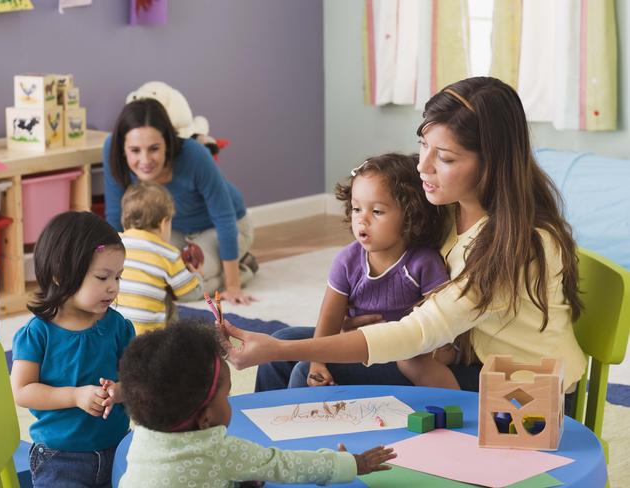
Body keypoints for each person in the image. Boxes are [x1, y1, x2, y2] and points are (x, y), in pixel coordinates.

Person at [221, 77, 587, 407]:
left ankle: (304, 474)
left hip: (519, 395)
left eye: (443, 157)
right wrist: (300, 342)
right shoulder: (446, 211)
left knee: (304, 369)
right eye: (423, 146)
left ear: (490, 164)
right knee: (285, 351)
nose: (422, 166)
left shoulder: (518, 245)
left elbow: (416, 333)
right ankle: (258, 471)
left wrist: (280, 349)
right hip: (458, 358)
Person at [256, 153, 462, 392]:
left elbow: (442, 324)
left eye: (377, 212)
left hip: (402, 353)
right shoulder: (347, 260)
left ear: (410, 215)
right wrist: (317, 361)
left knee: (303, 373)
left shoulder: (423, 263)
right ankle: (258, 423)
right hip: (357, 340)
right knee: (281, 342)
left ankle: (299, 426)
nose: (362, 220)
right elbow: (330, 319)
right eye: (356, 208)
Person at [118, 319, 396, 487]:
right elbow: (285, 465)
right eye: (225, 397)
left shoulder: (143, 435)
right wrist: (350, 463)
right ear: (205, 419)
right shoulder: (220, 452)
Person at [10, 211, 135, 488]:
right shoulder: (38, 333)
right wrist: (75, 396)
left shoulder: (118, 327)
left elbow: (138, 378)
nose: (113, 287)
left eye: (118, 277)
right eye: (103, 277)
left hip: (118, 448)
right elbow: (22, 391)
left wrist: (120, 391)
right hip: (60, 458)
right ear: (60, 275)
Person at [103, 97, 257, 304]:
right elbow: (115, 217)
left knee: (184, 283)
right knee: (154, 279)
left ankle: (243, 268)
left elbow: (224, 217)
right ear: (123, 148)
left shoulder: (194, 154)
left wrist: (233, 286)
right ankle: (228, 265)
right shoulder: (111, 149)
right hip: (170, 230)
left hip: (223, 227)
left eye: (154, 148)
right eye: (135, 151)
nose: (145, 160)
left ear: (167, 142)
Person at [116, 181, 203, 335]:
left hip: (113, 334)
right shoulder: (168, 253)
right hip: (149, 340)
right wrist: (197, 276)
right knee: (169, 304)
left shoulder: (114, 244)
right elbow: (190, 294)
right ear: (164, 223)